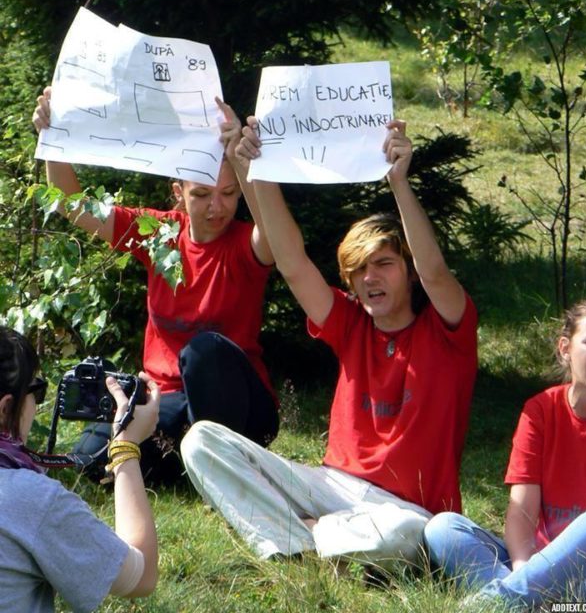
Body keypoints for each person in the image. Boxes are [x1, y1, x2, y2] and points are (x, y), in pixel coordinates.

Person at [180, 118, 478, 565]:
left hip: (403, 510)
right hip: (330, 485)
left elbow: (435, 272)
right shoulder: (350, 322)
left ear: (409, 272)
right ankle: (307, 541)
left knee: (410, 533)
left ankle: (300, 534)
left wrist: (398, 182)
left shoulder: (448, 331)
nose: (370, 277)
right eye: (358, 270)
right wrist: (256, 169)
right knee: (201, 441)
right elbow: (292, 263)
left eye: (384, 264)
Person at [32, 88, 278, 482]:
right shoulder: (159, 232)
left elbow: (275, 234)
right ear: (178, 193)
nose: (217, 207)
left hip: (242, 407)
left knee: (205, 350)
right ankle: (178, 463)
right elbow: (71, 204)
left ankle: (221, 467)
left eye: (229, 194)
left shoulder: (247, 243)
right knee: (92, 457)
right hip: (165, 399)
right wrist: (53, 135)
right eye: (202, 194)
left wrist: (241, 158)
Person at [423, 298, 586, 608]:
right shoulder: (541, 410)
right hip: (537, 561)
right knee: (443, 529)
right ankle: (530, 601)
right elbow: (522, 511)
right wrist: (525, 573)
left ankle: (496, 604)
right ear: (565, 349)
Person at [0, 325, 160, 612]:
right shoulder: (30, 499)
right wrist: (125, 446)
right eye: (36, 390)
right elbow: (143, 575)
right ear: (5, 408)